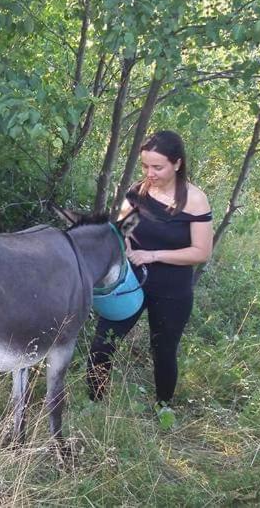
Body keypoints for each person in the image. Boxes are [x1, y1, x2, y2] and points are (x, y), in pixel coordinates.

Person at [86, 130, 213, 419]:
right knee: (102, 344)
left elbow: (201, 252)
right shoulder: (139, 190)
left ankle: (163, 407)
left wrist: (153, 255)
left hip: (173, 289)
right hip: (130, 284)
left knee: (163, 351)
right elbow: (121, 227)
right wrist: (124, 240)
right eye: (145, 166)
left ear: (177, 164)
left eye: (157, 167)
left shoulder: (195, 200)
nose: (150, 173)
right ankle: (95, 404)